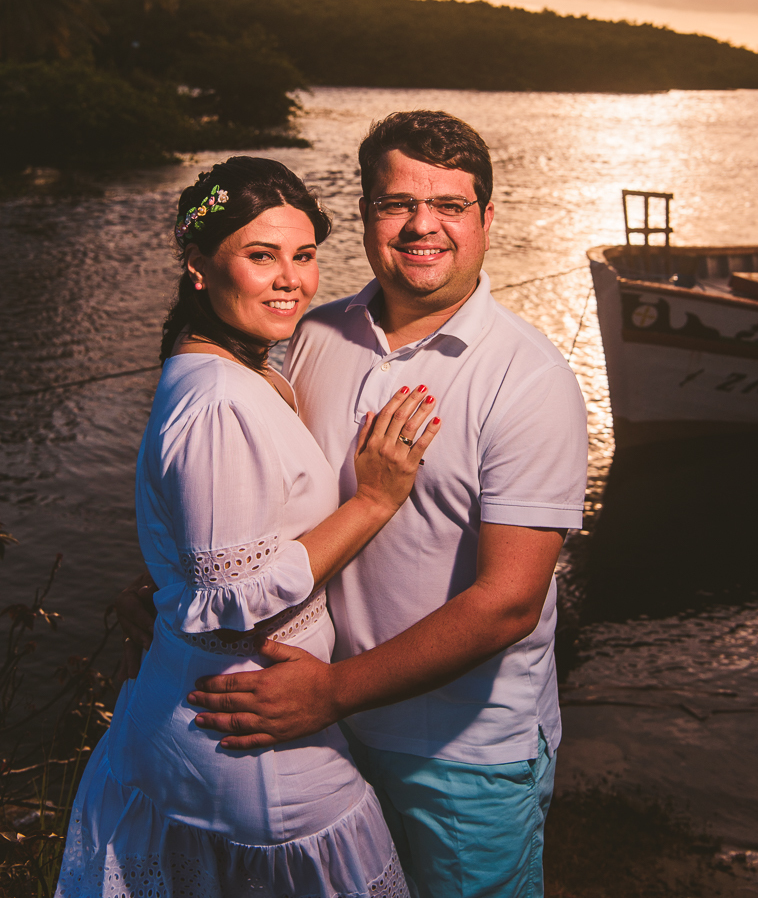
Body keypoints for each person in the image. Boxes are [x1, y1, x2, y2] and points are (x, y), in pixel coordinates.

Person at [185, 112, 588, 898]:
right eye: (396, 202)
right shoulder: (310, 335)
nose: (421, 226)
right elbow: (256, 495)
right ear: (367, 212)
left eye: (449, 205)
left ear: (486, 219)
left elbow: (507, 603)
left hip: (461, 753)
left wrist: (330, 691)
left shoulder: (528, 379)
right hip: (324, 735)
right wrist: (176, 588)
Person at [57, 156, 442, 898]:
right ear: (198, 265)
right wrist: (374, 500)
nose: (290, 280)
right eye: (260, 256)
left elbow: (214, 550)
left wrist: (167, 583)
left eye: (302, 256)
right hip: (246, 742)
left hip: (220, 721)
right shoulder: (220, 400)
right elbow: (232, 593)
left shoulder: (236, 367)